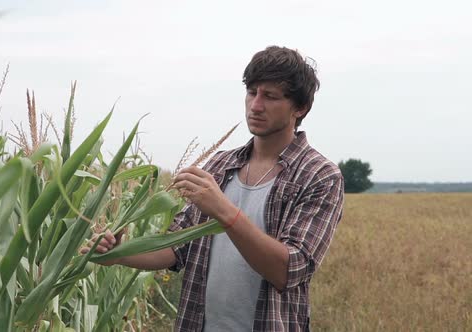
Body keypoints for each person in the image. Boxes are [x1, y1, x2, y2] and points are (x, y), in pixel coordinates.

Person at [81, 46, 344, 331]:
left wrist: (223, 211)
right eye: (252, 92)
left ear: (300, 108)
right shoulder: (220, 164)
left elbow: (288, 270)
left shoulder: (319, 176)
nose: (255, 105)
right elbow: (175, 248)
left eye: (270, 96)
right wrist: (120, 253)